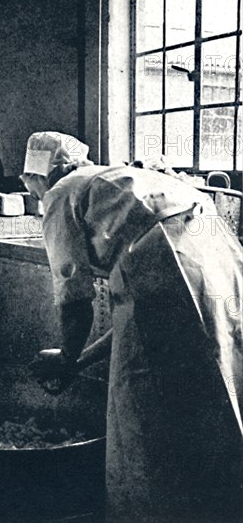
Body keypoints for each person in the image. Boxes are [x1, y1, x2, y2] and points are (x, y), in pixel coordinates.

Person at [23, 131, 243, 523]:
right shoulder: (118, 180)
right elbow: (135, 318)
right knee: (216, 386)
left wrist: (66, 356)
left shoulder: (60, 194)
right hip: (215, 252)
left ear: (39, 176)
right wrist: (78, 361)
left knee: (148, 410)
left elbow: (75, 304)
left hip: (171, 259)